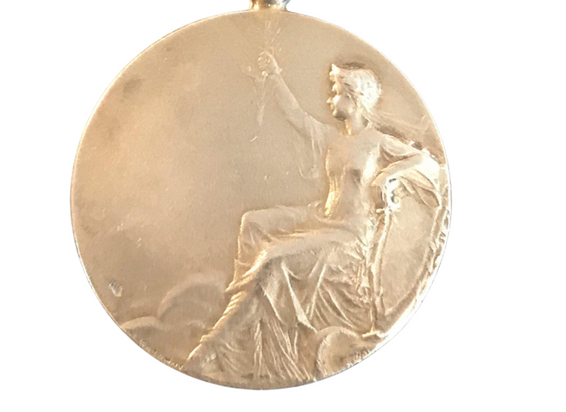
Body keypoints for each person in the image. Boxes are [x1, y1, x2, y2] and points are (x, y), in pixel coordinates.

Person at [185, 52, 443, 386]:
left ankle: (213, 347)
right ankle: (245, 309)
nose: (329, 99)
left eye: (335, 92)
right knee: (252, 222)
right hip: (323, 216)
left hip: (350, 234)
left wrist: (387, 175)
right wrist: (274, 75)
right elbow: (295, 115)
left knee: (271, 258)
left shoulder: (377, 143)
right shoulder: (334, 139)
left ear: (354, 98)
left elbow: (427, 162)